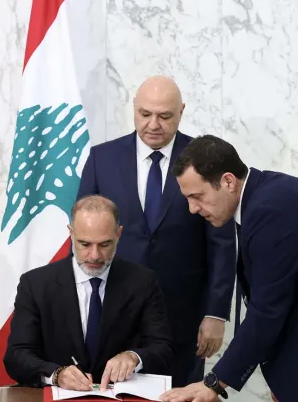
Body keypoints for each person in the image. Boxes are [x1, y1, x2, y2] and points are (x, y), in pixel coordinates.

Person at [161, 135, 298, 401]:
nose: (192, 209)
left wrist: (214, 383)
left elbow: (267, 310)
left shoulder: (271, 211)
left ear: (228, 181)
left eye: (197, 197)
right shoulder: (265, 198)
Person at [76, 76, 236, 387]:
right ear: (134, 108)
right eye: (145, 114)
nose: (153, 124)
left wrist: (216, 313)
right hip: (113, 312)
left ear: (181, 111)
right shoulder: (102, 159)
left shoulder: (206, 160)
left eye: (164, 116)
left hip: (184, 318)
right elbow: (83, 235)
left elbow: (222, 243)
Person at [3, 195, 174, 390]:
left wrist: (134, 357)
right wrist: (56, 375)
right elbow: (16, 356)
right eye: (85, 244)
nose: (94, 255)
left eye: (104, 244)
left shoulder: (143, 282)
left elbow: (163, 349)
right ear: (71, 233)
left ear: (118, 234)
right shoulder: (35, 284)